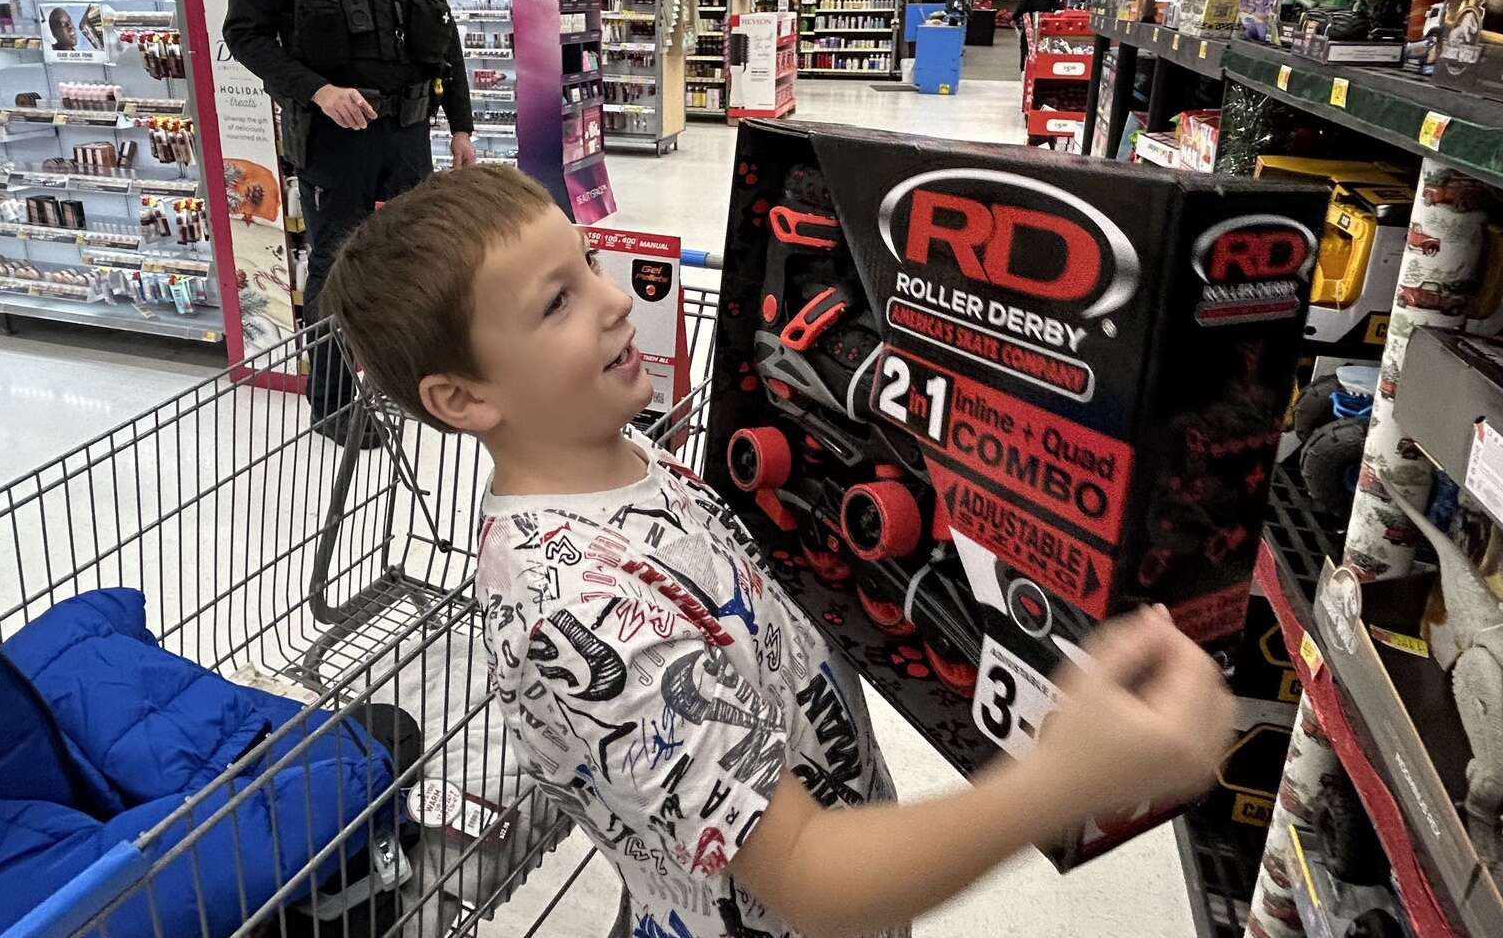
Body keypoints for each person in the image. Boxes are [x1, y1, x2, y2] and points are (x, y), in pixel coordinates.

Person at [321, 165, 1237, 938]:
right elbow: (807, 872)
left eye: (591, 262)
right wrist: (1065, 780)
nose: (612, 299)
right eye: (558, 300)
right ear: (464, 399)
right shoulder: (577, 617)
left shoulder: (625, 459)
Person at [223, 0, 475, 444]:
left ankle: (414, 379)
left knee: (418, 256)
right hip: (337, 137)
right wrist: (319, 91)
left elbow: (443, 41)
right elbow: (246, 35)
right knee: (336, 263)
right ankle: (334, 406)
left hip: (409, 133)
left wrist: (462, 126)